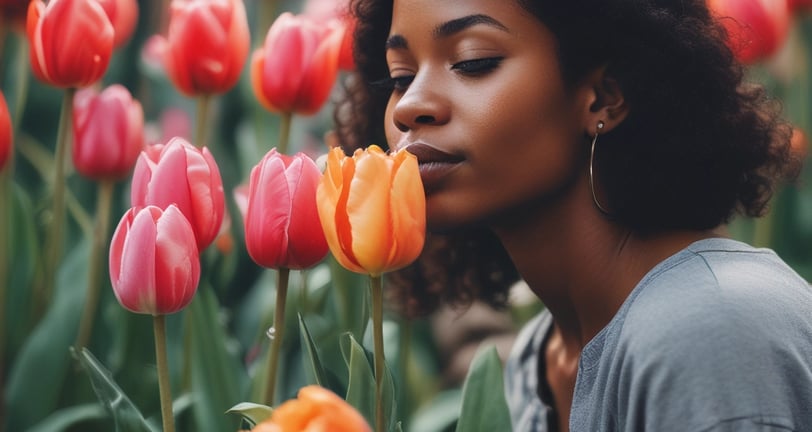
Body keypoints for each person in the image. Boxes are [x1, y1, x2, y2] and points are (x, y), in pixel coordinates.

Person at [335, 0, 812, 431]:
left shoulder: (713, 329)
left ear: (604, 97)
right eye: (400, 77)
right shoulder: (536, 363)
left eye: (473, 62)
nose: (410, 105)